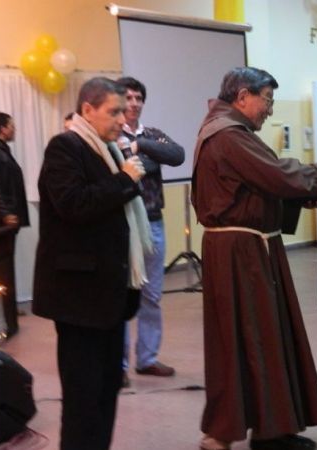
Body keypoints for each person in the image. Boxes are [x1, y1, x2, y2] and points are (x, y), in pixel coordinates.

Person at [191, 67, 317, 450]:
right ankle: (268, 432)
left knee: (248, 336)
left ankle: (256, 426)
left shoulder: (224, 130)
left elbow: (263, 185)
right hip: (242, 252)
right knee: (258, 336)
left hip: (247, 246)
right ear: (242, 96)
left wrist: (303, 190)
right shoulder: (229, 136)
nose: (269, 109)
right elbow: (276, 175)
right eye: (267, 100)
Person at [32, 77, 149, 450]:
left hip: (109, 296)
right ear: (87, 109)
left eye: (124, 111)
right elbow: (75, 205)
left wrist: (122, 176)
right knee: (83, 398)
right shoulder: (65, 148)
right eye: (113, 111)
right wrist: (126, 181)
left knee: (107, 389)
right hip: (79, 298)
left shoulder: (109, 150)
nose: (122, 118)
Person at [115, 76, 185, 383]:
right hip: (122, 224)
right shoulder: (110, 134)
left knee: (152, 295)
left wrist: (141, 145)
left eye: (138, 98)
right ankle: (117, 367)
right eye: (128, 98)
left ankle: (147, 359)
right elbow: (137, 168)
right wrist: (148, 158)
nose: (133, 103)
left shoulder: (153, 135)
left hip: (154, 222)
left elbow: (177, 155)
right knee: (120, 298)